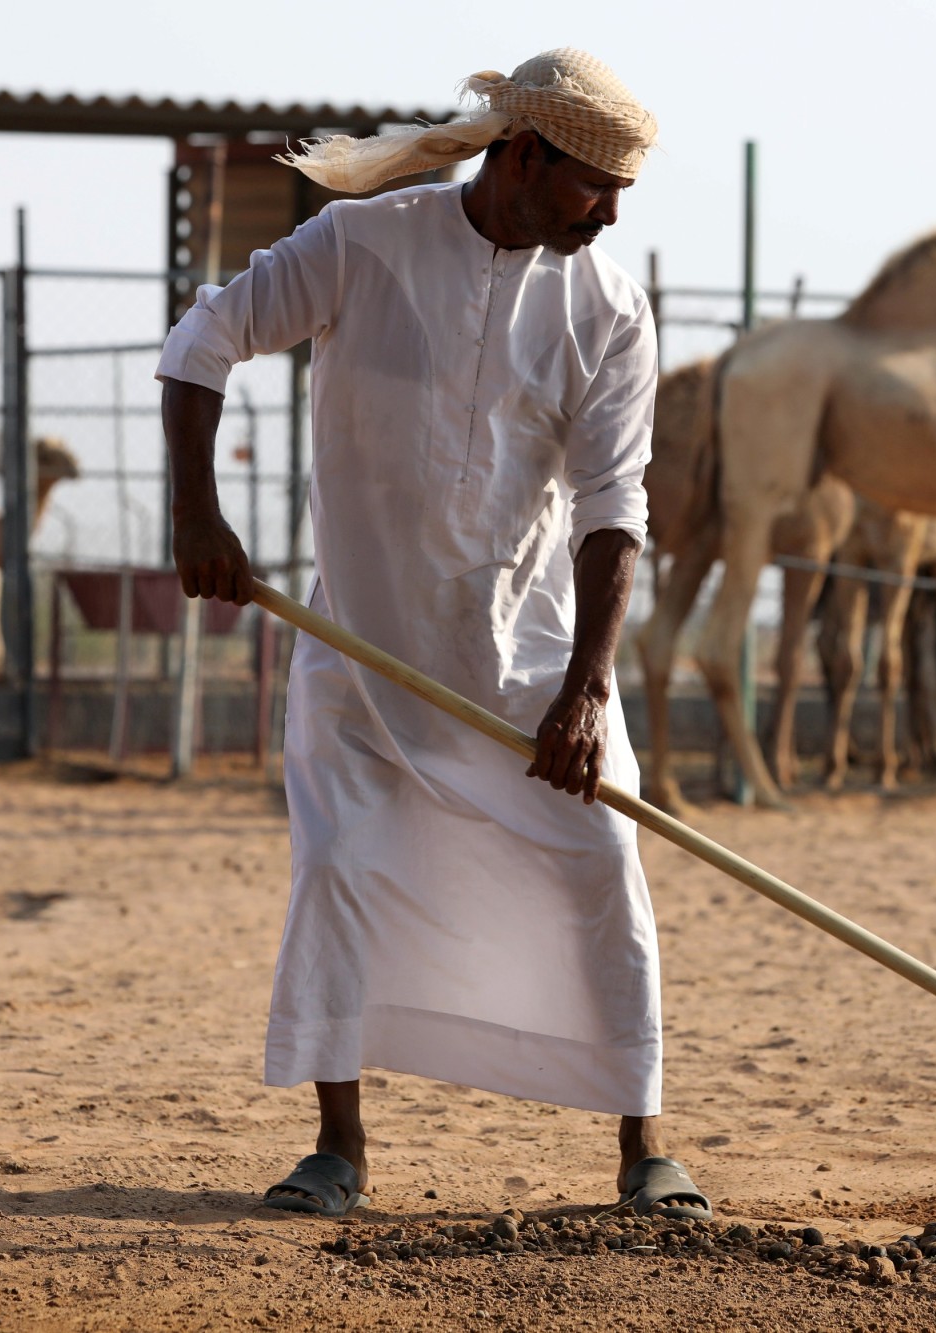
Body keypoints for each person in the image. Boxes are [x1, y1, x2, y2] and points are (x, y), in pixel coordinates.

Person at [157, 48, 708, 1221]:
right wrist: (195, 514)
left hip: (528, 664)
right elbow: (202, 343)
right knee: (342, 870)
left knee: (604, 865)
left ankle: (644, 1153)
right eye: (591, 188)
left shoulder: (608, 308)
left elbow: (615, 510)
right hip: (359, 657)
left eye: (620, 195)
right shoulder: (362, 246)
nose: (609, 214)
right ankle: (338, 1151)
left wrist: (585, 691)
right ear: (522, 159)